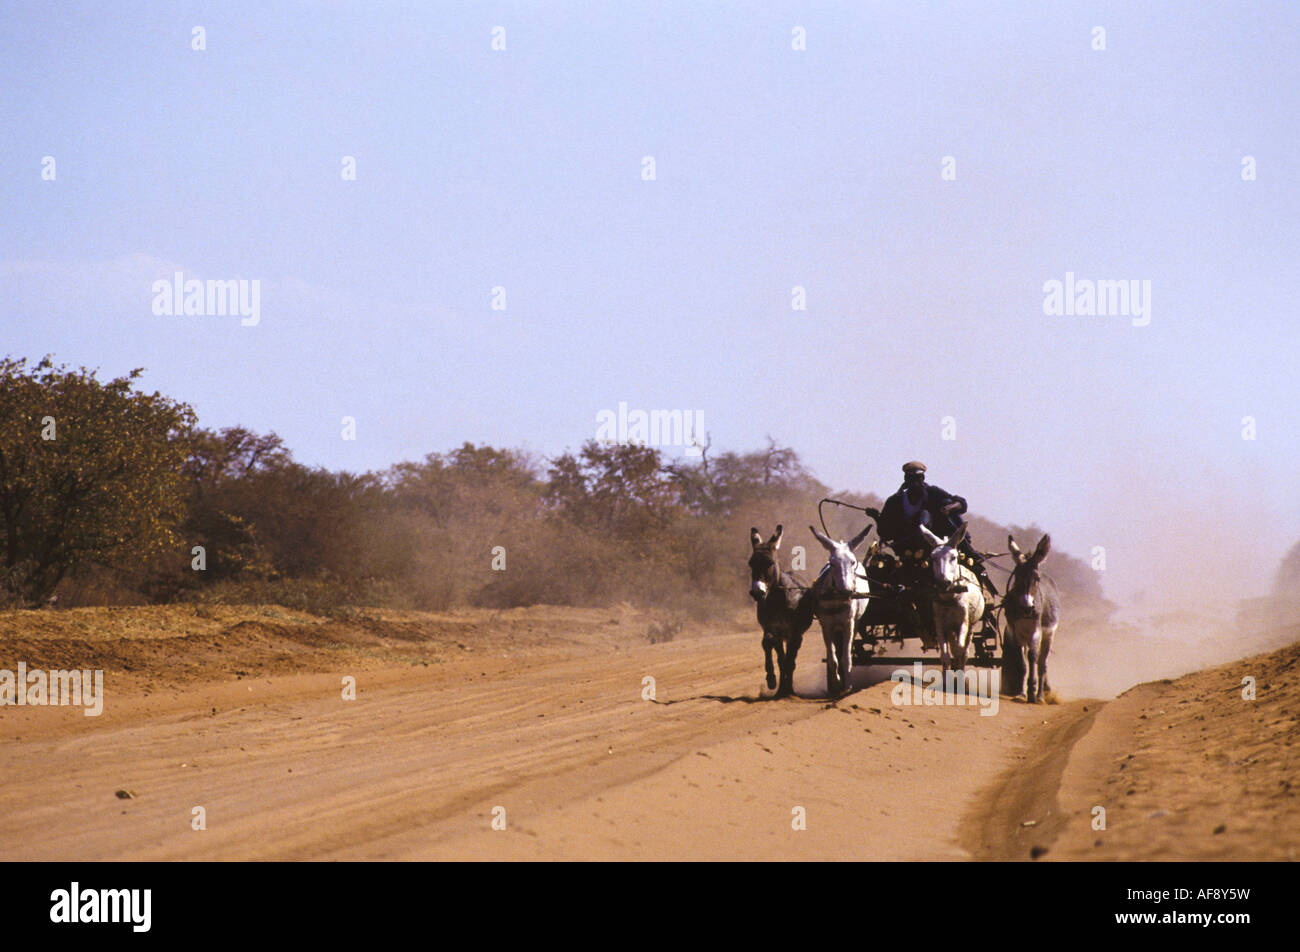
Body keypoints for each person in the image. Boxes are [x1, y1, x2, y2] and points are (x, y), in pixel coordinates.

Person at [869, 461, 999, 631]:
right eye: (910, 478)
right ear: (905, 479)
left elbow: (962, 504)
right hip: (908, 554)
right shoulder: (895, 501)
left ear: (923, 478)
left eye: (918, 478)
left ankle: (986, 600)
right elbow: (884, 532)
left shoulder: (933, 494)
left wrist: (949, 508)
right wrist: (877, 517)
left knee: (974, 565)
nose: (914, 481)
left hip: (939, 550)